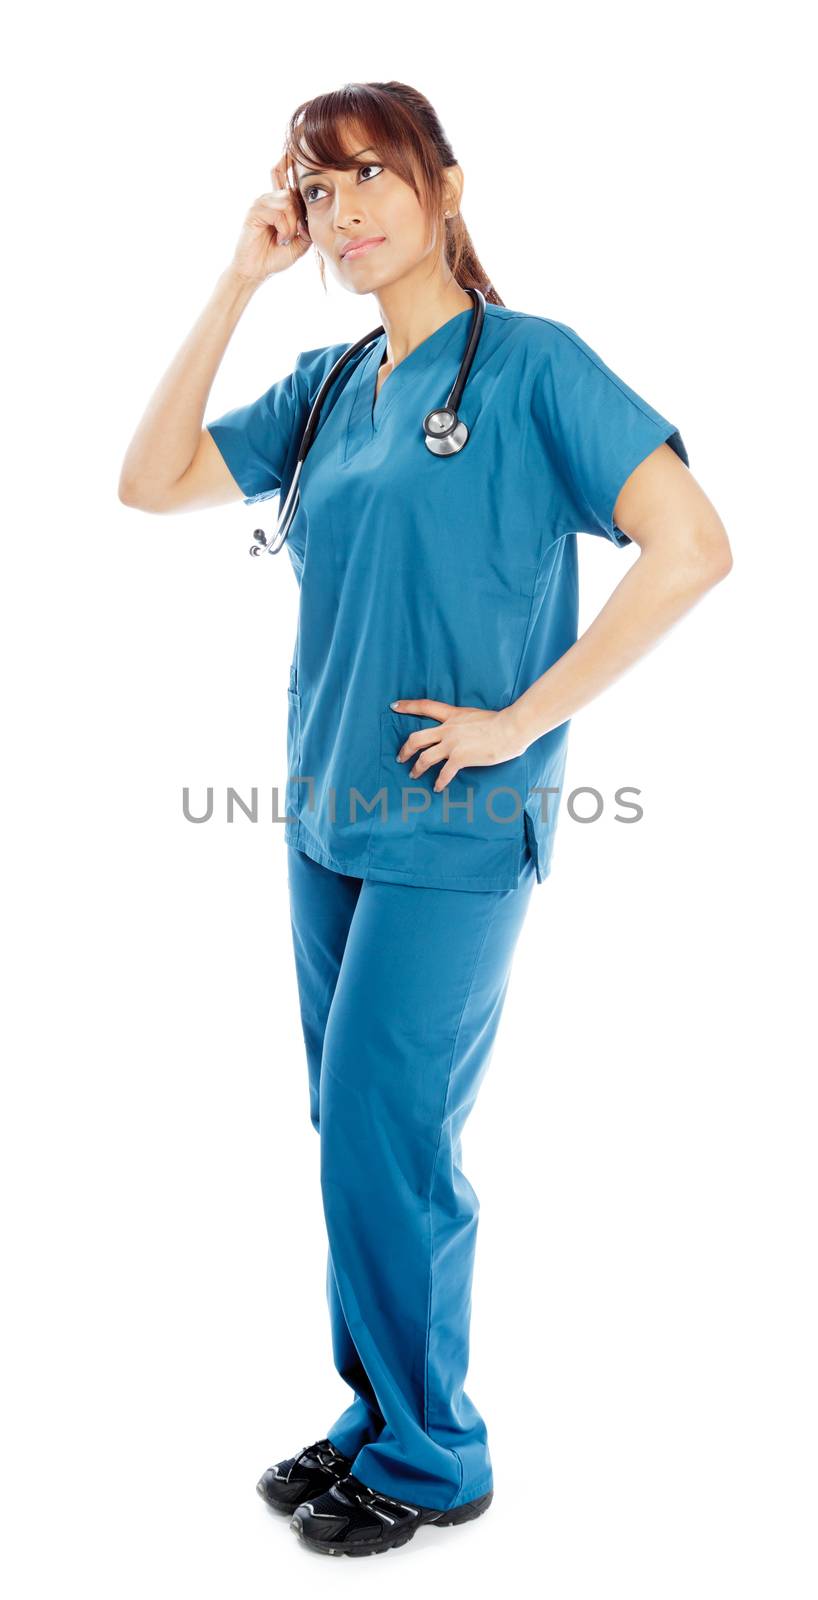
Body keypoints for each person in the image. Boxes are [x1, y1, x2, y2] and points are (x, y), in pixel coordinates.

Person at [118, 80, 732, 1558]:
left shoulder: (529, 368)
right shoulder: (329, 385)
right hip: (323, 818)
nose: (351, 213)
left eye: (376, 176)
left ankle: (437, 1454)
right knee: (353, 1133)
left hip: (455, 831)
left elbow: (692, 544)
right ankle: (381, 1411)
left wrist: (523, 721)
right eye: (321, 192)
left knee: (387, 1133)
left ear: (446, 186)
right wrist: (238, 278)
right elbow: (149, 483)